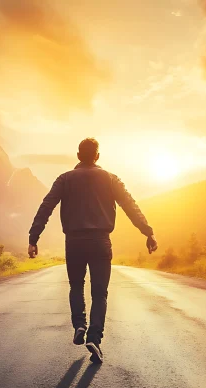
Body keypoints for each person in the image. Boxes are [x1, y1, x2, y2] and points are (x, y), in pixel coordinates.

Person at [28, 137, 158, 363]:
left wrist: (33, 237)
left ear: (78, 156)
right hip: (100, 241)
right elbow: (129, 205)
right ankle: (94, 338)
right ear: (97, 156)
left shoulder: (65, 179)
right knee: (100, 293)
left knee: (76, 285)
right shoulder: (110, 179)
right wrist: (147, 232)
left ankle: (79, 324)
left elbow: (46, 206)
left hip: (74, 242)